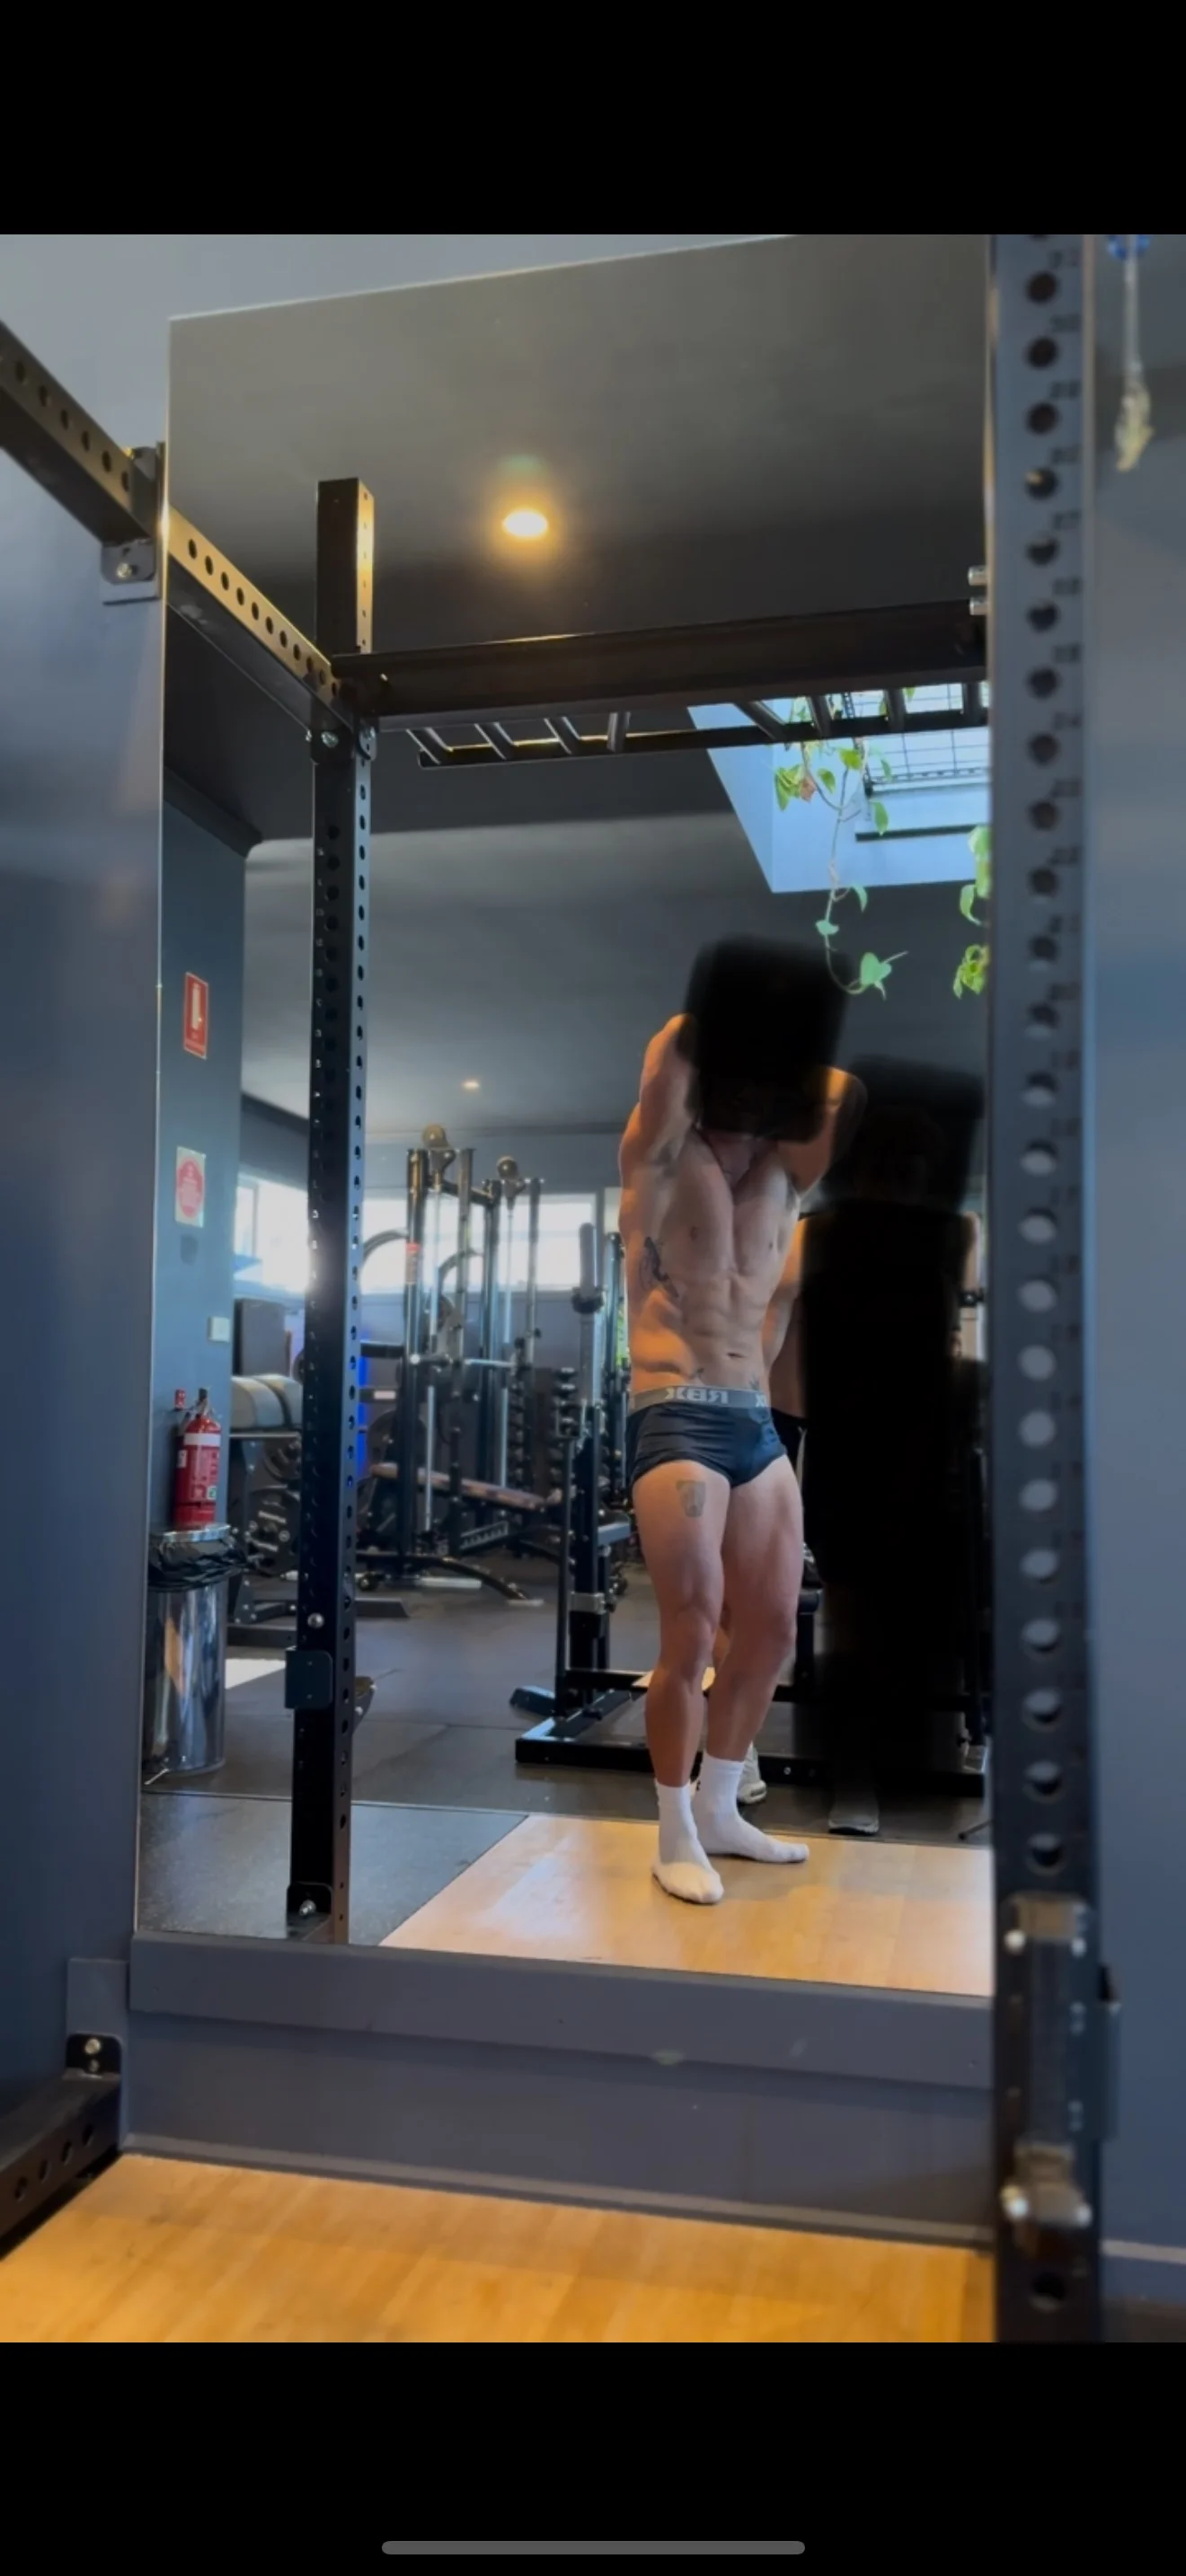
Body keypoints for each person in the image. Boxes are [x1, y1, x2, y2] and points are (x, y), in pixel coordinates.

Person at [619, 1010, 863, 1904]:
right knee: (692, 1627)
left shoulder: (782, 1179)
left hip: (755, 1425)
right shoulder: (658, 1158)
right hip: (675, 1412)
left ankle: (721, 1807)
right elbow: (670, 1053)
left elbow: (846, 1095)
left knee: (773, 1629)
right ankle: (674, 1826)